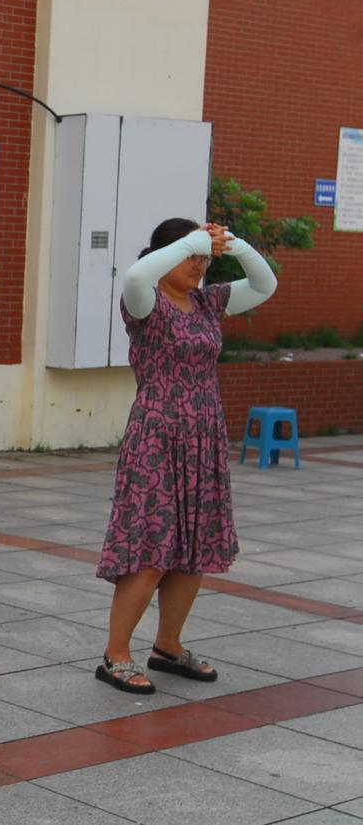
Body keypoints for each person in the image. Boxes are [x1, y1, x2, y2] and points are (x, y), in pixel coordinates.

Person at [95, 218, 277, 694]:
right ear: (167, 254)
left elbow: (265, 282)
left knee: (193, 549)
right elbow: (135, 276)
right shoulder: (145, 300)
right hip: (158, 435)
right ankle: (116, 655)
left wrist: (230, 242)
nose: (200, 265)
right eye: (191, 255)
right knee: (151, 549)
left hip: (205, 435)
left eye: (204, 258)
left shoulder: (207, 302)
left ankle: (168, 646)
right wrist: (194, 239)